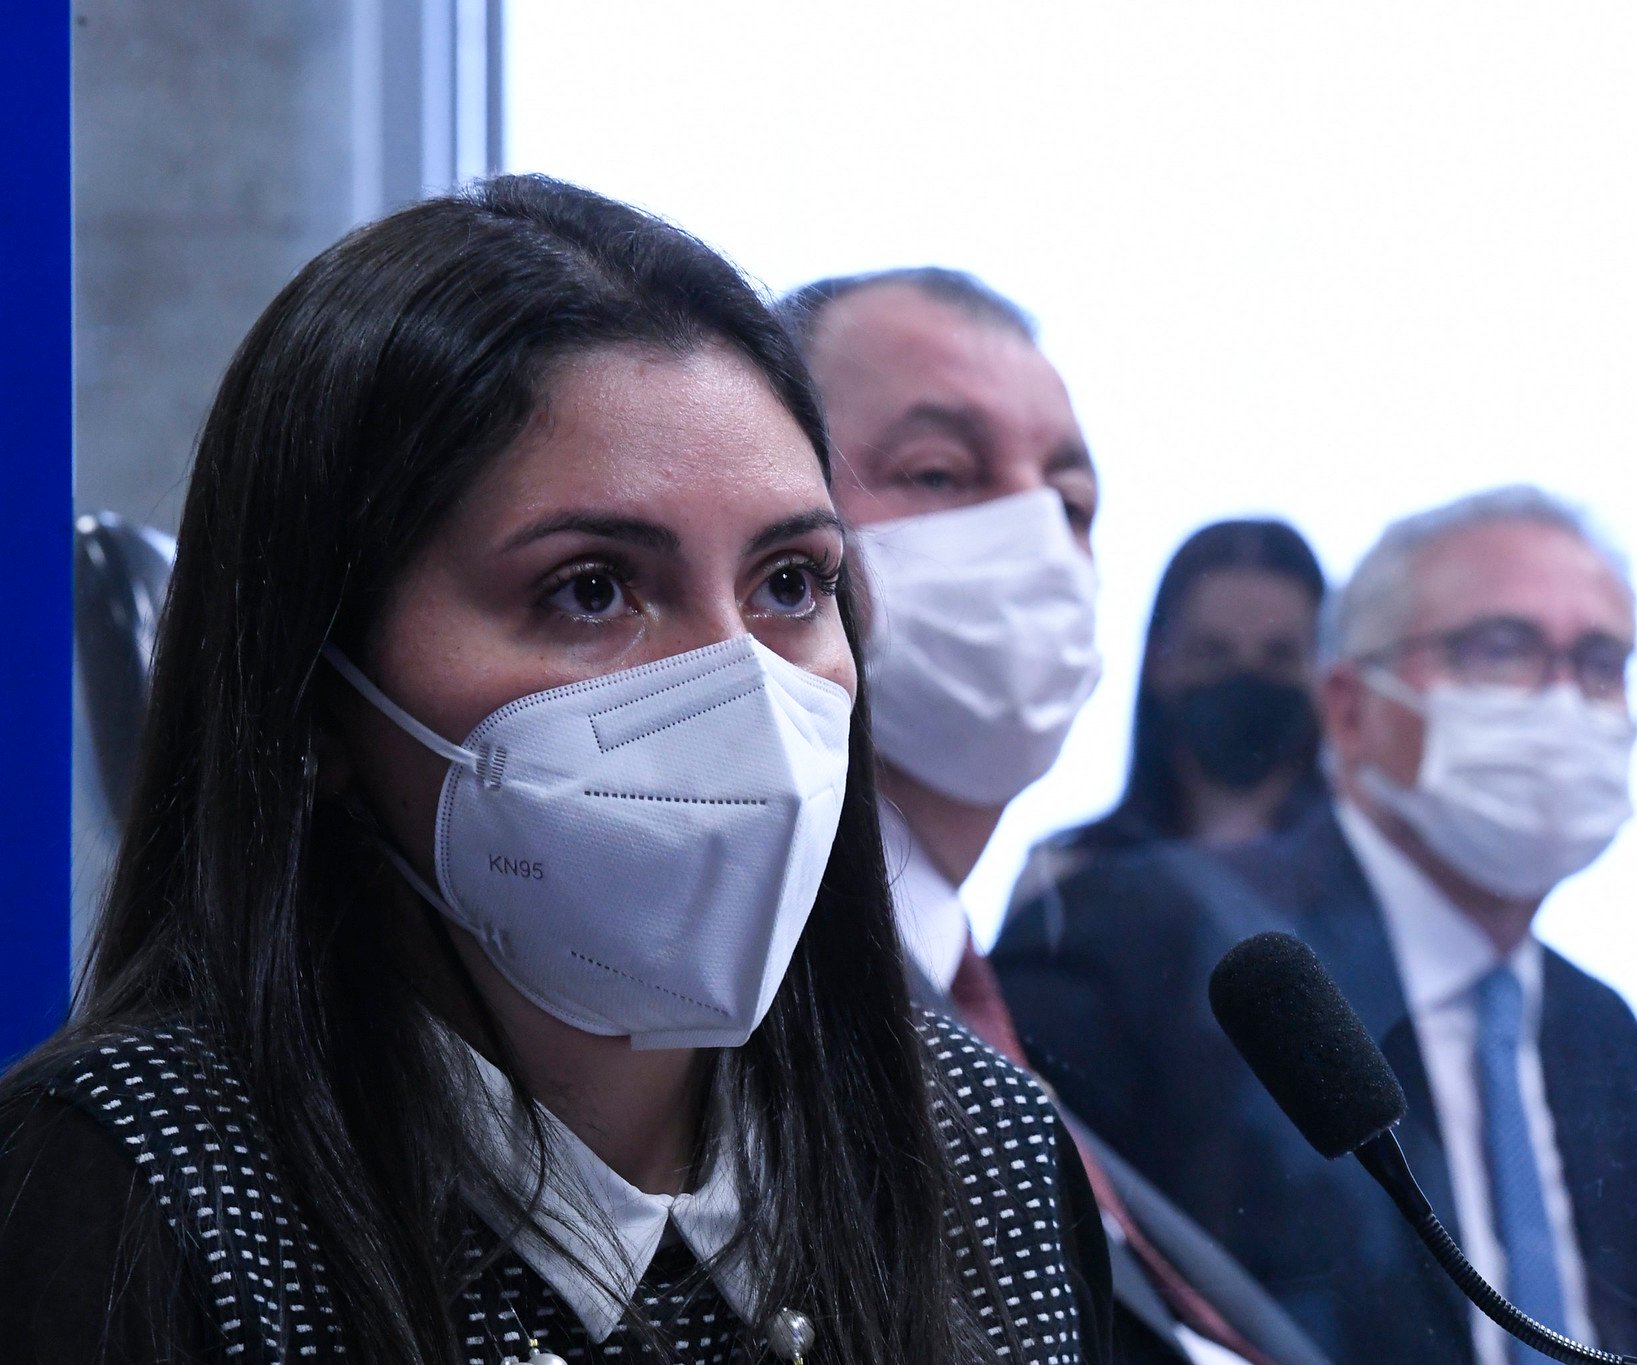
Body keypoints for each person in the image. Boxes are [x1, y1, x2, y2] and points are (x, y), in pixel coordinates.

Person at [0, 177, 1111, 1364]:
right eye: (591, 590)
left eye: (790, 582)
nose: (736, 687)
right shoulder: (131, 1190)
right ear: (316, 693)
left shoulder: (978, 1153)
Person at [995, 485, 1637, 1365]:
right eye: (1502, 649)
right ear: (1349, 710)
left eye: (1598, 663)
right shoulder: (1167, 944)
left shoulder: (1590, 1026)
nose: (1563, 703)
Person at [780, 267, 1333, 1365]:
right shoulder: (731, 1020)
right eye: (939, 473)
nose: (1035, 540)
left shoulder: (962, 1014)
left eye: (1070, 505)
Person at [1021, 518, 1327, 896]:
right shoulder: (1065, 881)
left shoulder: (1375, 882)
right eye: (1214, 654)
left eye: (1279, 656)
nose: (1245, 679)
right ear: (1158, 662)